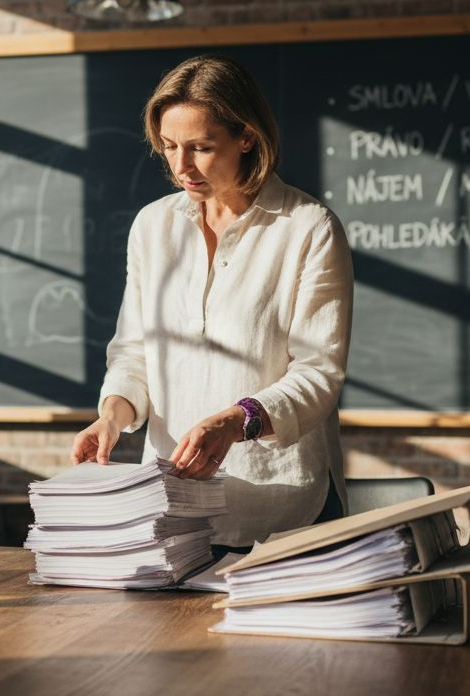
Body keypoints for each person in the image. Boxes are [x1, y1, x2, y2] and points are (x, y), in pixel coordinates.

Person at [69, 54, 354, 549]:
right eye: (169, 147)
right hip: (171, 506)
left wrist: (235, 421)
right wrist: (113, 413)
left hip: (282, 505)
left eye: (201, 147)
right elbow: (135, 351)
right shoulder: (152, 227)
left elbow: (318, 373)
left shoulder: (308, 228)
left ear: (247, 137)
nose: (180, 167)